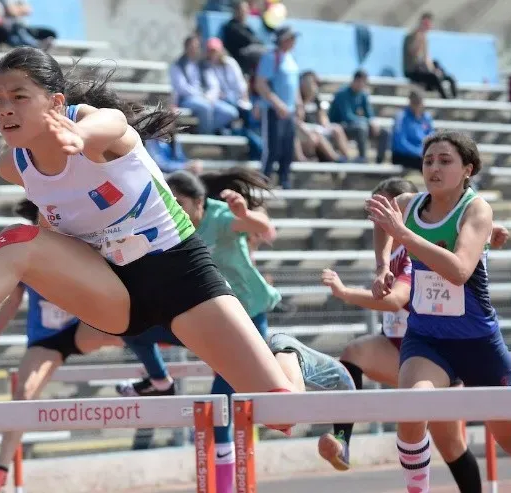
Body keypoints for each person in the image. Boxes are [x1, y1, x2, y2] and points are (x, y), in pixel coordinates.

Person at [0, 46, 300, 439]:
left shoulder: (95, 125)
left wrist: (77, 135)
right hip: (108, 289)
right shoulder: (12, 164)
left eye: (18, 97)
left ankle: (289, 355)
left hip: (180, 276)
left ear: (56, 101)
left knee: (282, 413)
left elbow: (113, 123)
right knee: (20, 242)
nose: (5, 109)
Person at [115, 168, 355, 493]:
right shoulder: (167, 224)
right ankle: (161, 382)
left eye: (182, 202)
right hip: (202, 317)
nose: (176, 208)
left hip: (247, 319)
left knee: (222, 404)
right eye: (171, 201)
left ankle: (293, 357)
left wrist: (246, 215)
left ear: (200, 202)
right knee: (131, 329)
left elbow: (266, 229)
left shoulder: (220, 216)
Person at [366, 131, 511, 492]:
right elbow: (383, 220)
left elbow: (459, 270)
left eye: (445, 161)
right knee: (411, 411)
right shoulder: (409, 204)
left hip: (479, 343)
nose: (434, 168)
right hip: (427, 340)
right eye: (428, 161)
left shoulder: (477, 209)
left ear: (467, 169)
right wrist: (382, 265)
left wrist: (405, 236)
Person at [320, 177, 511, 493]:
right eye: (374, 216)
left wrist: (345, 292)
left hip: (432, 352)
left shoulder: (415, 251)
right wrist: (381, 266)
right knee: (353, 352)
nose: (377, 223)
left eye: (383, 212)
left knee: (450, 445)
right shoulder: (390, 251)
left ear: (404, 210)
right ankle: (343, 442)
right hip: (398, 346)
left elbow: (397, 299)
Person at [0, 199, 124, 493]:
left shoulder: (80, 244)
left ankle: (157, 353)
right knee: (24, 394)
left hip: (80, 327)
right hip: (46, 340)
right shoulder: (25, 250)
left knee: (118, 330)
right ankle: (1, 469)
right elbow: (11, 302)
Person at [254, 25, 302, 189]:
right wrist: (277, 104)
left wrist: (299, 103)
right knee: (272, 148)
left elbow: (294, 85)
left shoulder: (291, 57)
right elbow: (261, 84)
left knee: (287, 148)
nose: (293, 41)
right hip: (273, 110)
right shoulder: (270, 57)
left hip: (289, 111)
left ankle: (284, 179)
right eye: (290, 37)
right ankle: (264, 179)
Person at [170, 35, 239, 135]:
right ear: (186, 47)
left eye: (196, 47)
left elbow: (214, 85)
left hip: (206, 98)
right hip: (188, 99)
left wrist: (209, 96)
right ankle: (206, 136)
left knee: (231, 112)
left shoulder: (203, 64)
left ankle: (202, 131)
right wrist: (200, 95)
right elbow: (181, 87)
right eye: (192, 47)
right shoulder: (178, 65)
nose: (194, 49)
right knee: (205, 107)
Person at [328, 70, 389, 164]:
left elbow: (369, 114)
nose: (362, 85)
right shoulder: (342, 94)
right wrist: (366, 121)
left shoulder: (363, 94)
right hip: (340, 126)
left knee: (384, 132)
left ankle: (379, 163)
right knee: (362, 128)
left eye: (364, 83)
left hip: (356, 125)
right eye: (360, 82)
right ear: (355, 80)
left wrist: (372, 121)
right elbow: (347, 117)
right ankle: (362, 159)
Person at [403, 12, 458, 99]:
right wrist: (419, 37)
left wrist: (433, 69)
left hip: (422, 69)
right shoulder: (412, 36)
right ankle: (446, 99)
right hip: (413, 71)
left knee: (448, 77)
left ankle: (454, 98)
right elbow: (413, 54)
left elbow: (426, 59)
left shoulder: (424, 38)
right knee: (434, 77)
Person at [391, 90, 434, 172]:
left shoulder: (426, 117)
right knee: (427, 164)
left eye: (419, 102)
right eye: (415, 102)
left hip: (422, 154)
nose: (418, 105)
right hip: (403, 155)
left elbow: (431, 137)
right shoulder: (401, 117)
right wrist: (418, 152)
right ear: (410, 102)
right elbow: (400, 143)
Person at [221, 1, 267, 74]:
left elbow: (256, 40)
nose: (244, 12)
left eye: (246, 10)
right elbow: (249, 39)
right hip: (238, 57)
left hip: (249, 56)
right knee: (262, 51)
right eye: (241, 10)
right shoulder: (231, 26)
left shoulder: (246, 26)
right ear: (235, 11)